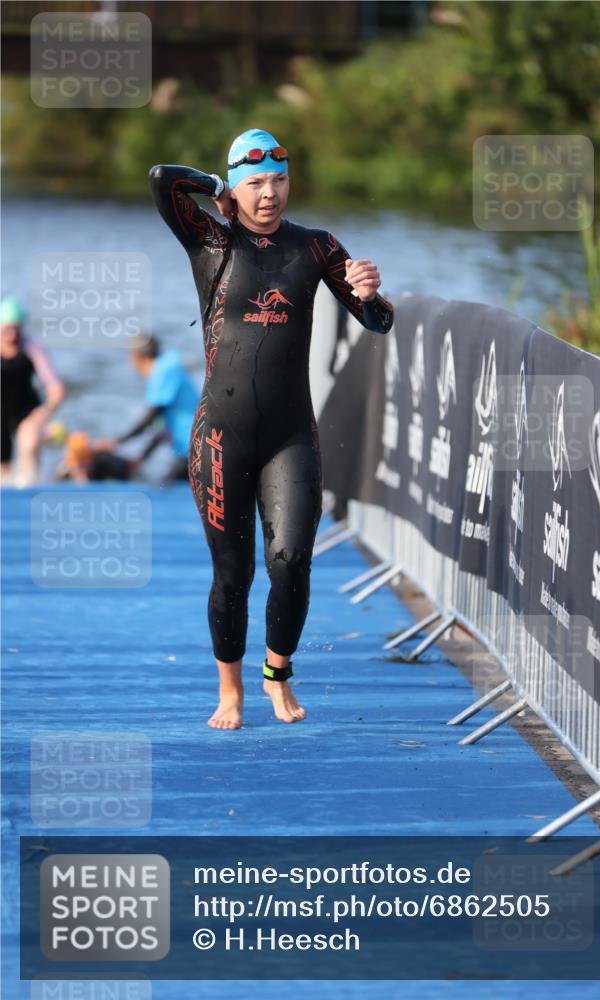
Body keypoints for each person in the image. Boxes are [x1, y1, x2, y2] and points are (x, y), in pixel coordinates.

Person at [149, 127, 394, 730]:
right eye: (255, 182)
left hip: (289, 435)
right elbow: (162, 179)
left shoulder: (314, 247)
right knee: (233, 574)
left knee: (291, 560)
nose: (269, 194)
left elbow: (378, 321)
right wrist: (216, 191)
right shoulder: (211, 240)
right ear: (235, 187)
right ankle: (229, 690)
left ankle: (277, 674)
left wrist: (369, 293)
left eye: (279, 180)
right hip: (220, 438)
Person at [94, 334, 198, 481]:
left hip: (193, 450)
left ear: (137, 357)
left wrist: (115, 442)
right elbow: (162, 429)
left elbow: (150, 417)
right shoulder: (167, 368)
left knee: (166, 493)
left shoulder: (163, 371)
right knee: (167, 488)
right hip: (193, 449)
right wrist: (141, 459)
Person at [0, 296, 66, 487]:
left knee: (27, 444)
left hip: (27, 411)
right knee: (3, 473)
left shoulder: (30, 347)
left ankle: (31, 491)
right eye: (7, 329)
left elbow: (56, 388)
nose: (12, 335)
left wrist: (43, 412)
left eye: (16, 328)